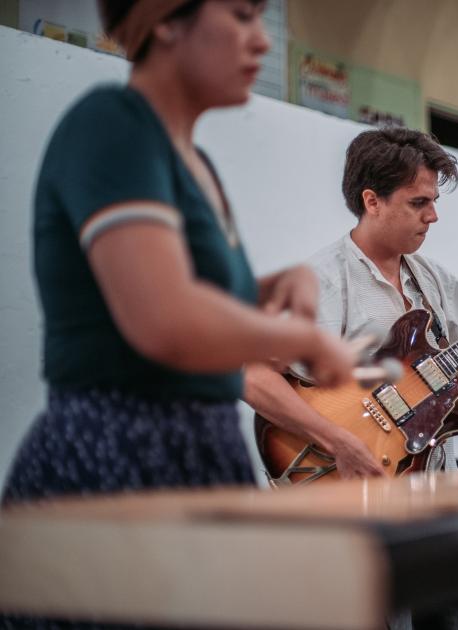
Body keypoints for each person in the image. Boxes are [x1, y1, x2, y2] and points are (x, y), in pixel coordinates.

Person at [3, 0, 356, 509]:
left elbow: (193, 296)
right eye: (240, 15)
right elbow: (163, 319)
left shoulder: (197, 163)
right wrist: (304, 338)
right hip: (119, 449)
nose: (263, 41)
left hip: (199, 446)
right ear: (165, 19)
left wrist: (273, 287)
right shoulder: (113, 125)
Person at [243, 127, 458, 477]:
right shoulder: (324, 280)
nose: (433, 216)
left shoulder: (435, 281)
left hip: (432, 486)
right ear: (372, 201)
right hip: (352, 495)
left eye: (433, 202)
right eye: (418, 203)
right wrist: (339, 441)